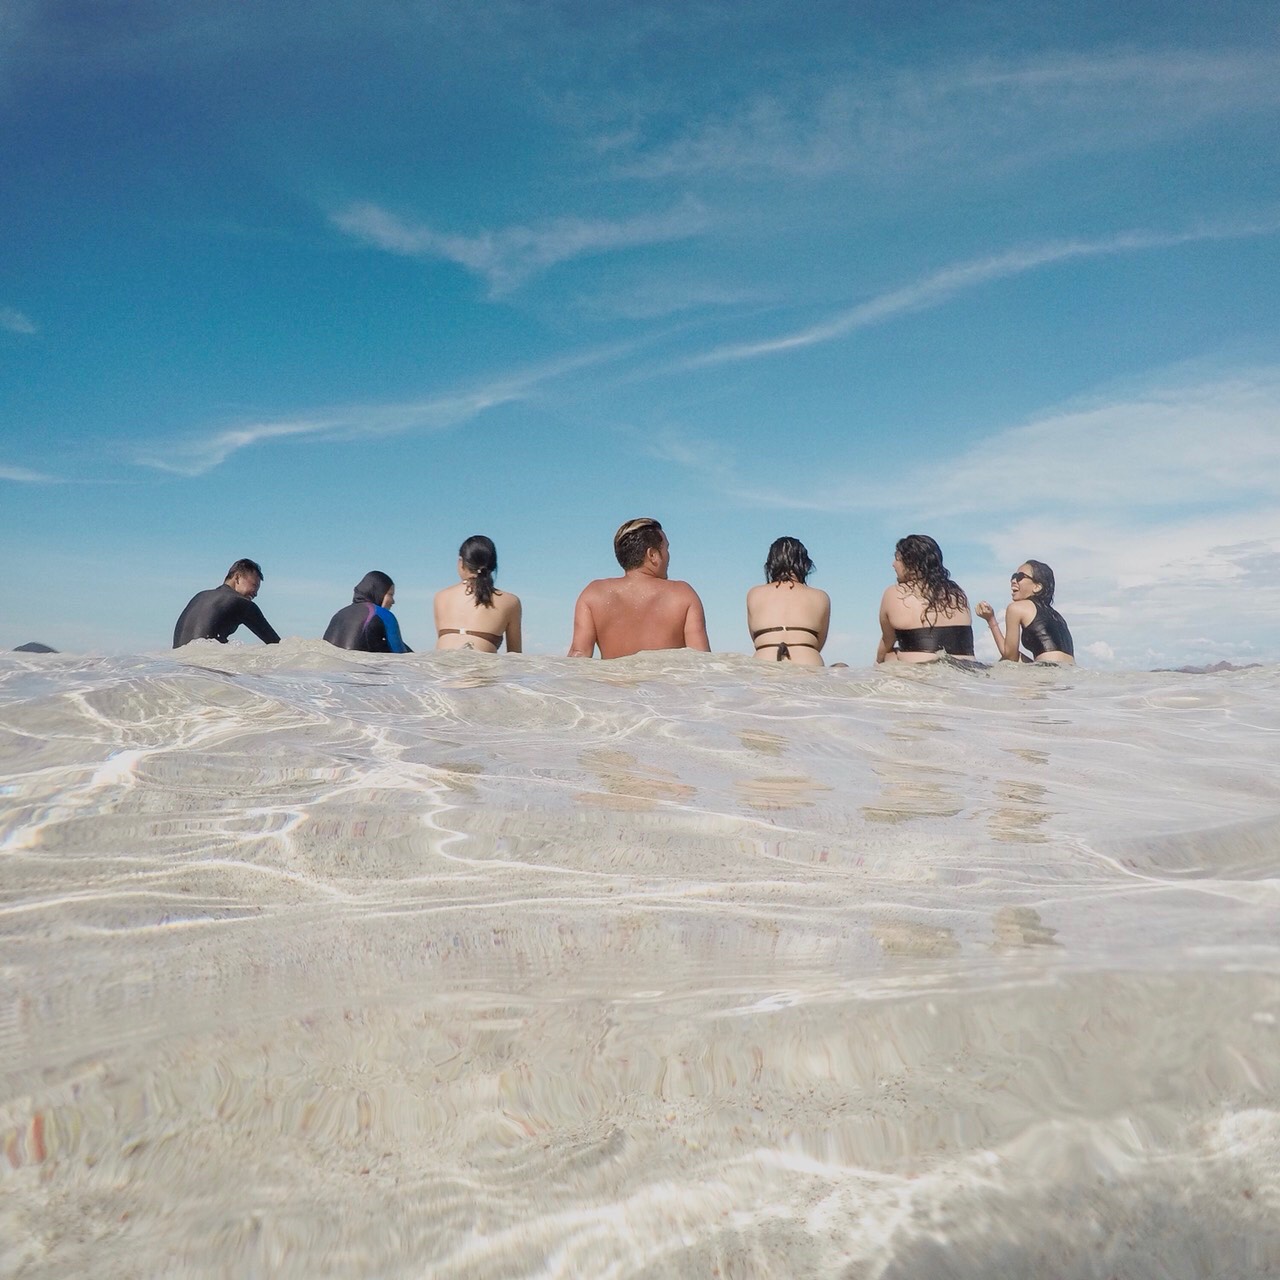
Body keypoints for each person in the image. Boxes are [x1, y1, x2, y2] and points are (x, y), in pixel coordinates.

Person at [569, 517, 710, 659]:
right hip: (665, 674)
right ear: (652, 555)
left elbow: (578, 654)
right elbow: (701, 660)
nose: (668, 555)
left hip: (614, 675)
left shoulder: (593, 594)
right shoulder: (682, 594)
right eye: (666, 549)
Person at [876, 534, 974, 663]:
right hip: (968, 668)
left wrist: (877, 663)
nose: (893, 564)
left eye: (897, 559)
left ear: (911, 564)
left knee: (888, 656)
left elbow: (887, 641)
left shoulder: (893, 593)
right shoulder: (957, 593)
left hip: (922, 670)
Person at [746, 536, 830, 666]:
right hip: (807, 660)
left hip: (765, 661)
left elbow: (755, 639)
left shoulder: (754, 594)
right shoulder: (821, 597)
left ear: (771, 563)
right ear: (805, 563)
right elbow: (819, 643)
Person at [434, 535, 522, 653]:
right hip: (481, 663)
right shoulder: (511, 601)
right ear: (493, 565)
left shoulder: (441, 597)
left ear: (461, 562)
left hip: (441, 662)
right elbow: (515, 654)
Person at [977, 560, 1075, 664]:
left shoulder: (1016, 608)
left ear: (1037, 587)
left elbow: (1009, 656)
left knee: (1001, 663)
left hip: (1047, 670)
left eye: (1020, 577)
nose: (1013, 581)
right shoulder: (1058, 617)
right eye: (1014, 576)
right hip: (1070, 671)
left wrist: (991, 619)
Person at [173, 558, 280, 647]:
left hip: (176, 664)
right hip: (205, 664)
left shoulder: (200, 596)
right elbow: (276, 645)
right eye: (254, 585)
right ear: (237, 577)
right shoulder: (242, 603)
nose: (256, 593)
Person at [324, 570, 412, 653]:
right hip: (360, 663)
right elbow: (400, 653)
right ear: (379, 592)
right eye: (390, 594)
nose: (393, 601)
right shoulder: (383, 614)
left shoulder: (338, 614)